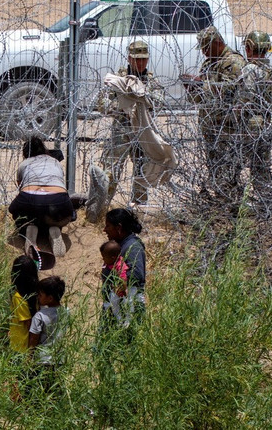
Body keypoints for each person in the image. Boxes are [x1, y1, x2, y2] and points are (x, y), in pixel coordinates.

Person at [181, 26, 247, 201]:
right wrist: (192, 88)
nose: (203, 52)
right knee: (215, 167)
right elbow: (200, 98)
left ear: (218, 43)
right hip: (210, 125)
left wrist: (199, 84)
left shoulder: (233, 62)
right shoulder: (209, 63)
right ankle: (221, 200)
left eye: (206, 48)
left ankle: (230, 203)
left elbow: (228, 92)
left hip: (227, 127)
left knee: (229, 167)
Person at [100, 40, 163, 207]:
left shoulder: (151, 81)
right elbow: (102, 105)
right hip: (121, 131)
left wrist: (143, 100)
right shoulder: (117, 79)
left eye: (144, 59)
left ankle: (139, 207)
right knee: (111, 170)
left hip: (143, 132)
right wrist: (123, 106)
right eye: (137, 59)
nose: (141, 63)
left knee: (142, 170)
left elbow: (159, 103)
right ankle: (103, 205)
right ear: (129, 58)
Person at [8, 136, 74, 257]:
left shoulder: (24, 164)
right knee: (70, 214)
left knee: (15, 211)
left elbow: (20, 187)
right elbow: (60, 184)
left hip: (30, 198)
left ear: (25, 152)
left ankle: (29, 229)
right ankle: (55, 228)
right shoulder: (55, 162)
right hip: (58, 201)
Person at [238, 30, 272, 193]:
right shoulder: (270, 70)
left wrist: (235, 109)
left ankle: (264, 199)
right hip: (267, 122)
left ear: (249, 48)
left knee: (252, 164)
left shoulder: (250, 69)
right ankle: (266, 197)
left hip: (253, 123)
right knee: (262, 164)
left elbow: (247, 96)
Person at [103, 208, 146, 320]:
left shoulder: (133, 247)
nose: (104, 230)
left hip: (126, 311)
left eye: (108, 226)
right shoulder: (120, 246)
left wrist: (118, 283)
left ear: (119, 227)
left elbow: (136, 275)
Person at [28, 276, 68, 393]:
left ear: (50, 298)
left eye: (40, 295)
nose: (38, 297)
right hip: (59, 358)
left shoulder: (39, 316)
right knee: (55, 391)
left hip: (43, 359)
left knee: (42, 391)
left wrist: (29, 356)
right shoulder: (66, 312)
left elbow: (34, 338)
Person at [99, 240, 133, 329]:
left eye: (104, 257)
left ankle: (123, 320)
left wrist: (120, 288)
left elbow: (123, 279)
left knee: (117, 305)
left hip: (118, 292)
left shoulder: (119, 265)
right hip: (112, 290)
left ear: (113, 257)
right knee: (114, 305)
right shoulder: (111, 262)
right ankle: (119, 318)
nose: (103, 259)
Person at [8, 255, 39, 355]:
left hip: (20, 346)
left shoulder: (18, 297)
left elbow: (29, 324)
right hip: (29, 344)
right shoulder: (37, 292)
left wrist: (30, 351)